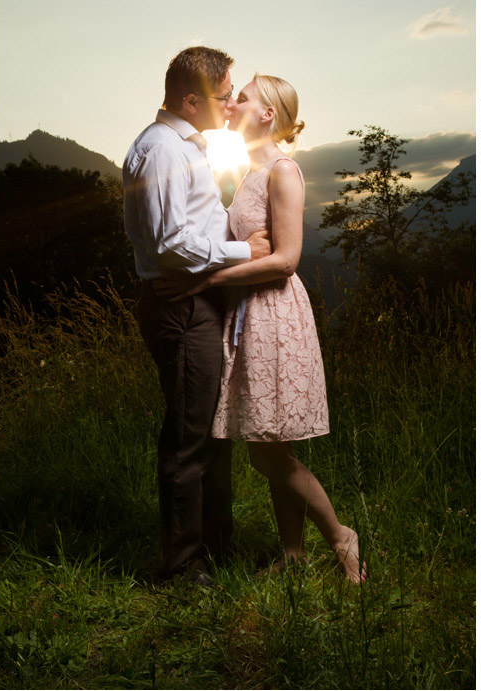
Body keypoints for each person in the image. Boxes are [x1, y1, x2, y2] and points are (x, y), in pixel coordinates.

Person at [155, 74, 366, 583]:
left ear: (267, 113)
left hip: (274, 313)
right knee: (271, 440)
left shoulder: (282, 171)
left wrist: (207, 277)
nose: (230, 104)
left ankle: (340, 535)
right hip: (248, 312)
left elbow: (287, 259)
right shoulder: (250, 171)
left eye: (241, 98)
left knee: (265, 451)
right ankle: (292, 554)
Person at [123, 46, 272, 583]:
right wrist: (244, 253)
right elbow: (170, 244)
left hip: (197, 300)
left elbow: (193, 228)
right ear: (191, 100)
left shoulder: (185, 146)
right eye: (224, 94)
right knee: (190, 435)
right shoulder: (163, 151)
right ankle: (183, 568)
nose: (231, 102)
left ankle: (217, 548)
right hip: (181, 306)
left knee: (212, 431)